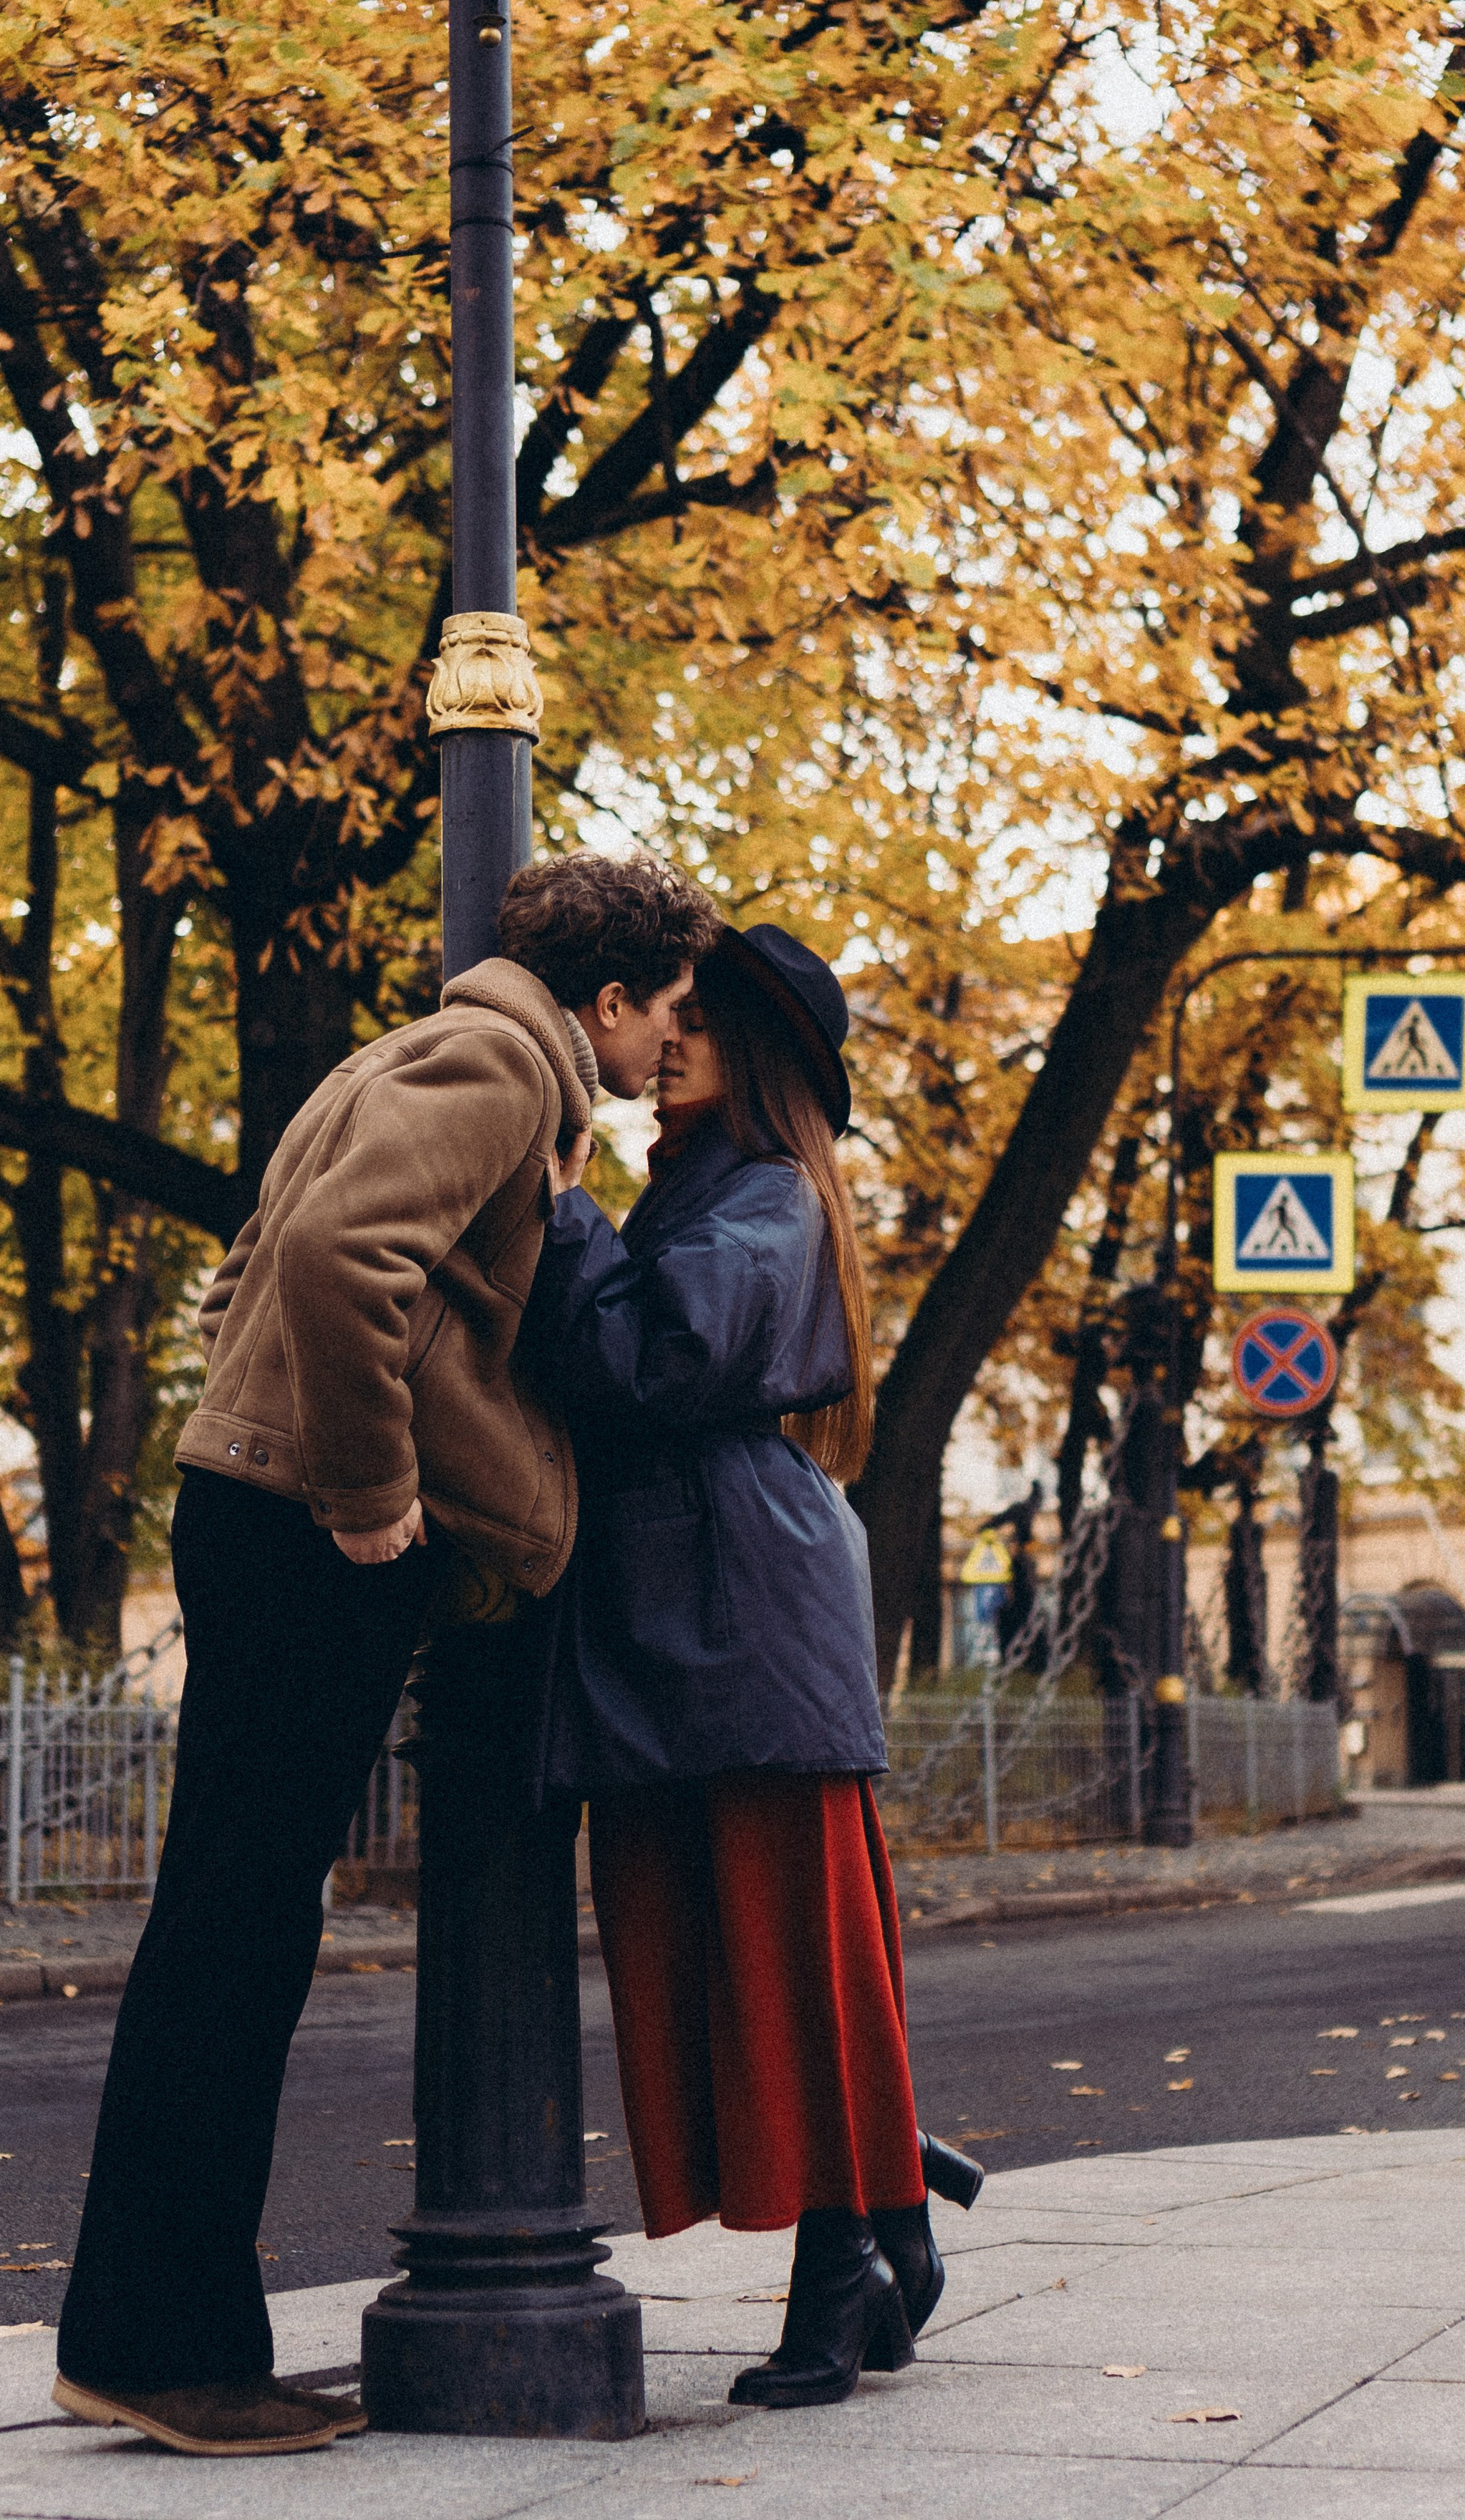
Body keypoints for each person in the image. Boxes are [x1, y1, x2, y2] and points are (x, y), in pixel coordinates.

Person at [53, 851, 719, 2458]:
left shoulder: (415, 1052)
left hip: (259, 1505)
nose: (662, 1053)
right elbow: (338, 1259)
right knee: (237, 1930)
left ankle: (142, 2332)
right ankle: (164, 2350)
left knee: (228, 1918)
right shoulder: (500, 1061)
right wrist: (364, 1492)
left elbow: (264, 1255)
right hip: (304, 1529)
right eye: (666, 1017)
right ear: (608, 1001)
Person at [519, 924, 980, 2413]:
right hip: (685, 1609)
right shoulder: (700, 1194)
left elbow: (651, 1363)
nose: (662, 1046)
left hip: (744, 1615)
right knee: (713, 1956)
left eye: (694, 1026)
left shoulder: (768, 1197)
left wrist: (564, 1212)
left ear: (755, 1057)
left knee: (792, 1952)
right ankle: (888, 2205)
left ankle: (847, 2266)